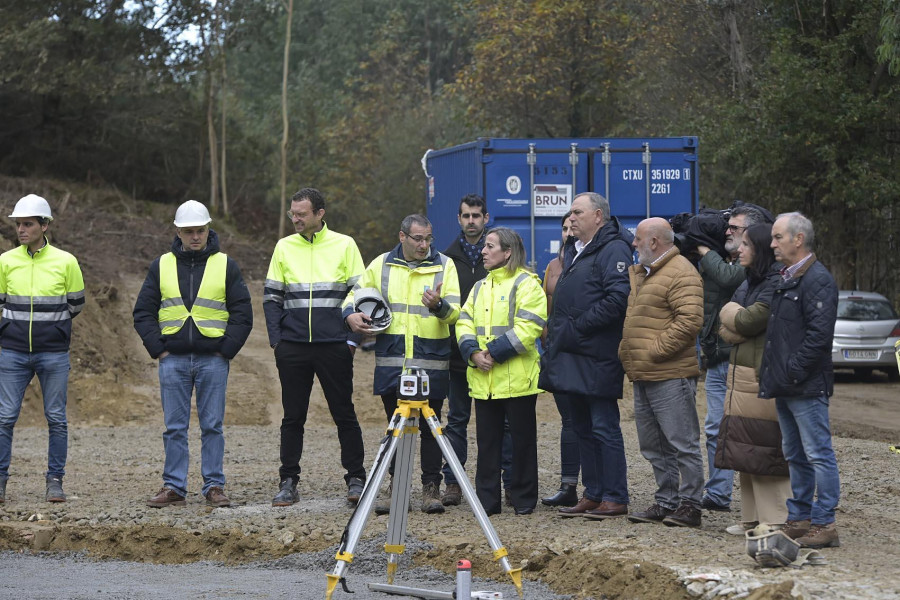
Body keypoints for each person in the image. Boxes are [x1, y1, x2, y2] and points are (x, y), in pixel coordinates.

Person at [134, 200, 252, 508]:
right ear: (178, 232)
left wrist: (226, 349)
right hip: (172, 359)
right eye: (189, 232)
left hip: (213, 358)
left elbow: (242, 312)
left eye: (200, 230)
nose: (195, 237)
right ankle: (174, 487)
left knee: (212, 425)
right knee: (175, 427)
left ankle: (214, 485)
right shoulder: (162, 265)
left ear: (208, 229)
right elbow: (143, 311)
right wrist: (157, 349)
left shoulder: (226, 264)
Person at [345, 214, 460, 514]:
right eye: (418, 239)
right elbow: (354, 294)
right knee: (395, 426)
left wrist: (439, 306)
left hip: (431, 362)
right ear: (402, 237)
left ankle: (430, 489)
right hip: (392, 363)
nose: (424, 245)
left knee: (430, 428)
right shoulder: (381, 264)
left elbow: (455, 315)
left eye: (428, 239)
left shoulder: (445, 265)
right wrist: (350, 315)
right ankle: (397, 488)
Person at [263, 188, 367, 507]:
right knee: (292, 417)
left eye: (301, 214)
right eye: (292, 214)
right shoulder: (284, 247)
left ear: (320, 214)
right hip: (293, 348)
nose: (295, 219)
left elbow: (361, 295)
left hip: (334, 345)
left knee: (344, 414)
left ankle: (355, 478)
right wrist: (277, 342)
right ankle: (288, 481)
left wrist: (351, 341)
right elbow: (271, 299)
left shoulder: (345, 245)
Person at [539, 193, 632, 519]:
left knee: (604, 426)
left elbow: (618, 299)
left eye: (577, 212)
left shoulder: (613, 248)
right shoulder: (575, 250)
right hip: (570, 354)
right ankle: (593, 493)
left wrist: (577, 328)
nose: (571, 217)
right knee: (581, 427)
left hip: (596, 355)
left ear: (598, 216)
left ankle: (615, 496)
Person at [758, 212, 840, 549]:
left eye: (778, 237)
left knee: (818, 453)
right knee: (796, 455)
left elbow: (818, 338)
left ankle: (824, 523)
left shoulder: (817, 280)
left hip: (804, 385)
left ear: (798, 239)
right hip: (787, 384)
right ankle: (800, 517)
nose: (772, 243)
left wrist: (791, 370)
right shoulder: (786, 276)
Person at [619, 217, 705, 528]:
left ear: (654, 242)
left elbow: (689, 321)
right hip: (645, 373)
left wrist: (653, 351)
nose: (633, 243)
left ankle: (691, 505)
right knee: (654, 444)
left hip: (669, 374)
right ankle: (667, 501)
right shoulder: (647, 273)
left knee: (682, 443)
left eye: (638, 239)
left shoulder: (681, 272)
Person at [0, 194, 84, 504]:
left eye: (27, 224)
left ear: (44, 225)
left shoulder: (66, 261)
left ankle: (55, 482)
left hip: (54, 353)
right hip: (12, 351)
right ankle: (0, 483)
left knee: (56, 418)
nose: (21, 229)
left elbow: (76, 304)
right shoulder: (6, 261)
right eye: (18, 224)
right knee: (4, 418)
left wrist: (53, 330)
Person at [456, 227, 546, 515]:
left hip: (517, 379)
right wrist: (472, 353)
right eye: (484, 245)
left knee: (521, 443)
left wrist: (491, 353)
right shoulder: (480, 287)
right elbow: (463, 322)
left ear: (507, 252)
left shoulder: (528, 284)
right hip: (485, 378)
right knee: (487, 444)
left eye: (490, 246)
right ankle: (487, 502)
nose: (483, 250)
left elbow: (530, 327)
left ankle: (523, 500)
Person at [715, 223, 792, 533]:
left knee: (765, 449)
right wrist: (734, 317)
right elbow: (725, 328)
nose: (739, 249)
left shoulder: (775, 283)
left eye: (746, 244)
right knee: (743, 449)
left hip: (761, 377)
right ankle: (751, 518)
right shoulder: (748, 282)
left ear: (760, 249)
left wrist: (733, 315)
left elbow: (746, 321)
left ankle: (775, 520)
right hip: (741, 376)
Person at [695, 204, 771, 512]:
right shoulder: (724, 258)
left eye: (734, 228)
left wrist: (703, 249)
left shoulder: (760, 265)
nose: (727, 231)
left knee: (751, 431)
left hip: (742, 359)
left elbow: (728, 281)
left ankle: (765, 505)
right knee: (715, 426)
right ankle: (718, 493)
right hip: (717, 354)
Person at [440, 194, 511, 507]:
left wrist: (496, 350)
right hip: (459, 357)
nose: (471, 221)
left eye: (476, 216)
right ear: (459, 219)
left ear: (486, 218)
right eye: (466, 215)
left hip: (496, 358)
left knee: (501, 423)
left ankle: (508, 481)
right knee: (456, 420)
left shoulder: (499, 257)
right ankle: (453, 482)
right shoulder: (445, 259)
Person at [539, 211, 581, 508]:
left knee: (590, 422)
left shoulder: (592, 262)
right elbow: (545, 308)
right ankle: (568, 485)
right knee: (568, 420)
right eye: (564, 228)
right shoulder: (552, 267)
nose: (568, 232)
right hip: (557, 351)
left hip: (584, 352)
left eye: (572, 227)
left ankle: (597, 487)